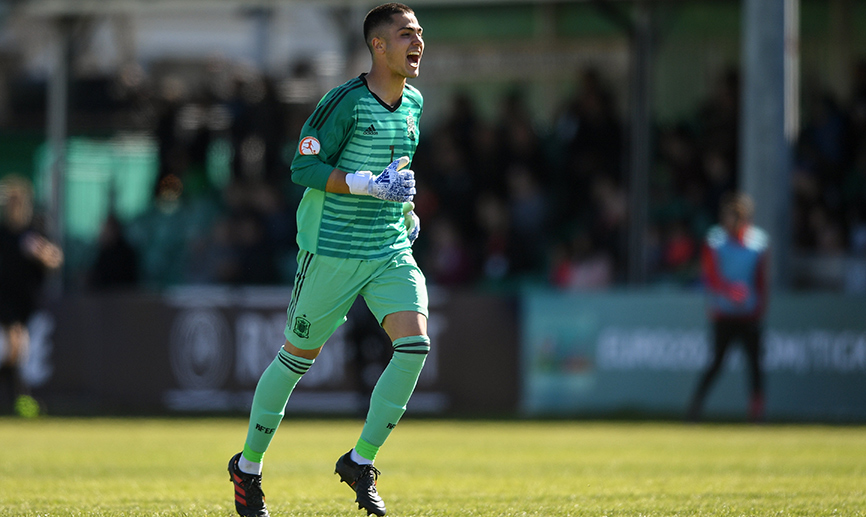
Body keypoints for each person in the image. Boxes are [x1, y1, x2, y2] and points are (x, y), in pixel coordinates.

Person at [227, 4, 426, 516]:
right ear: (378, 45)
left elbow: (396, 172)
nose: (418, 41)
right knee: (296, 359)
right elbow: (303, 165)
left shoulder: (415, 104)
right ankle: (247, 467)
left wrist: (406, 211)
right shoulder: (344, 103)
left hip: (387, 247)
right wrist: (363, 183)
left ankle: (361, 461)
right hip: (333, 250)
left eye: (420, 33)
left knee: (415, 345)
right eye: (406, 34)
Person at [687, 192, 769, 423]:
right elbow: (710, 277)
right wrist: (729, 292)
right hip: (724, 314)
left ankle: (757, 412)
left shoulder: (759, 244)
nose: (728, 222)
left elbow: (761, 280)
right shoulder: (715, 241)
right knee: (716, 363)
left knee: (755, 365)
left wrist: (759, 307)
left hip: (749, 315)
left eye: (734, 218)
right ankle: (695, 408)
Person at [0, 175, 63, 416]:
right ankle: (20, 400)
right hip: (5, 303)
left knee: (17, 355)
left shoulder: (34, 232)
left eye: (18, 201)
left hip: (29, 303)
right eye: (10, 201)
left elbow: (56, 259)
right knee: (15, 344)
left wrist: (42, 253)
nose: (13, 206)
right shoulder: (3, 234)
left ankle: (18, 400)